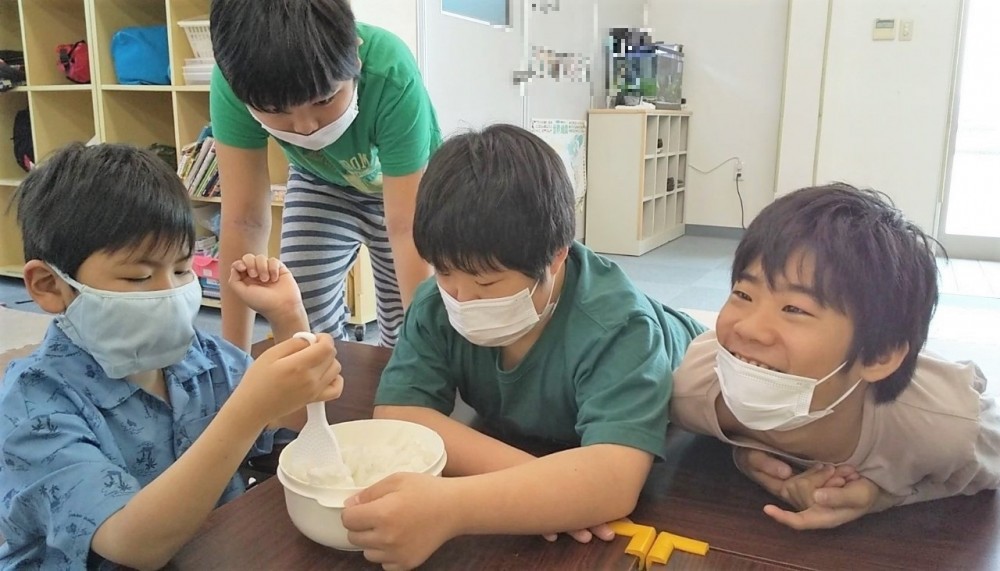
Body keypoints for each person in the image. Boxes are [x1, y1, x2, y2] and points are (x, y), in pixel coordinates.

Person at [339, 124, 706, 569]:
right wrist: (551, 487)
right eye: (445, 272)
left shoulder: (619, 327)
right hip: (543, 441)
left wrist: (452, 507)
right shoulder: (438, 302)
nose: (461, 297)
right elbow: (399, 415)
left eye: (487, 283)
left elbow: (614, 480)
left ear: (556, 256)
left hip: (702, 398)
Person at [0, 143, 343, 569]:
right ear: (50, 285)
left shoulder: (203, 359)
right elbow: (134, 544)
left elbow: (291, 423)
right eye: (138, 276)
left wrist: (288, 318)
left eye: (181, 270)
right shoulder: (32, 408)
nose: (169, 292)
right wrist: (247, 412)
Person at [669, 183, 1000, 530]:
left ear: (879, 356)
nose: (749, 329)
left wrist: (883, 495)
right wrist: (743, 454)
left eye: (794, 308)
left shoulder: (945, 429)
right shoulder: (693, 393)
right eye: (743, 294)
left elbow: (988, 462)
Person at [210, 0, 441, 350]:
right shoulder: (237, 84)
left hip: (407, 190)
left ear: (356, 54)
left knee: (406, 318)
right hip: (321, 181)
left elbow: (406, 226)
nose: (305, 127)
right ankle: (322, 376)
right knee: (302, 298)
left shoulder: (390, 70)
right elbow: (244, 221)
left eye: (324, 100)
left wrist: (422, 355)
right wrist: (233, 360)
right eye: (276, 111)